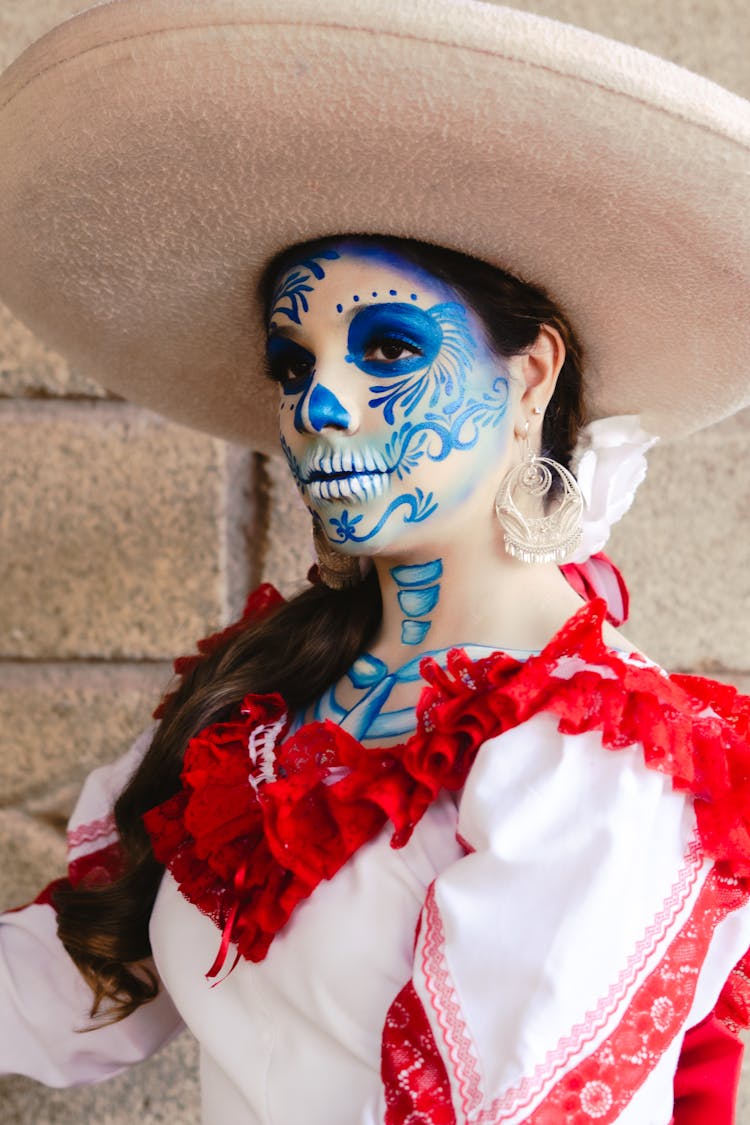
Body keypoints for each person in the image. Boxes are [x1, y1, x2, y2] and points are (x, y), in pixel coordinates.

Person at [1, 2, 749, 1123]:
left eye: (390, 348)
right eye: (292, 364)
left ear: (530, 377)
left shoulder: (607, 763)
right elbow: (74, 984)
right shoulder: (261, 699)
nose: (320, 402)